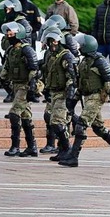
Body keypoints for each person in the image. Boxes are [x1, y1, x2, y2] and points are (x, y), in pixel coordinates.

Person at [58, 35, 110, 167]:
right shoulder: (84, 61)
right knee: (98, 128)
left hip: (97, 96)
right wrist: (73, 100)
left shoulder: (100, 61)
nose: (78, 47)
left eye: (81, 45)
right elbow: (82, 85)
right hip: (87, 96)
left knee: (81, 124)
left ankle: (73, 157)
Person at [0, 22, 39, 158]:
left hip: (25, 86)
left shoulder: (26, 50)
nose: (9, 36)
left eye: (12, 34)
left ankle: (15, 146)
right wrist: (0, 81)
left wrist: (32, 87)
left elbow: (34, 69)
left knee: (14, 113)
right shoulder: (11, 50)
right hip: (16, 85)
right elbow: (6, 67)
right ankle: (31, 147)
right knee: (25, 115)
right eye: (8, 34)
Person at [39, 29, 78, 162]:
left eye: (54, 41)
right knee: (51, 119)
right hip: (53, 92)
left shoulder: (65, 56)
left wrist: (70, 95)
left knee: (58, 122)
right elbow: (47, 73)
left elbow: (71, 77)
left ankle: (67, 149)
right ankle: (62, 149)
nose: (52, 44)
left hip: (63, 93)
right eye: (50, 42)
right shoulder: (51, 55)